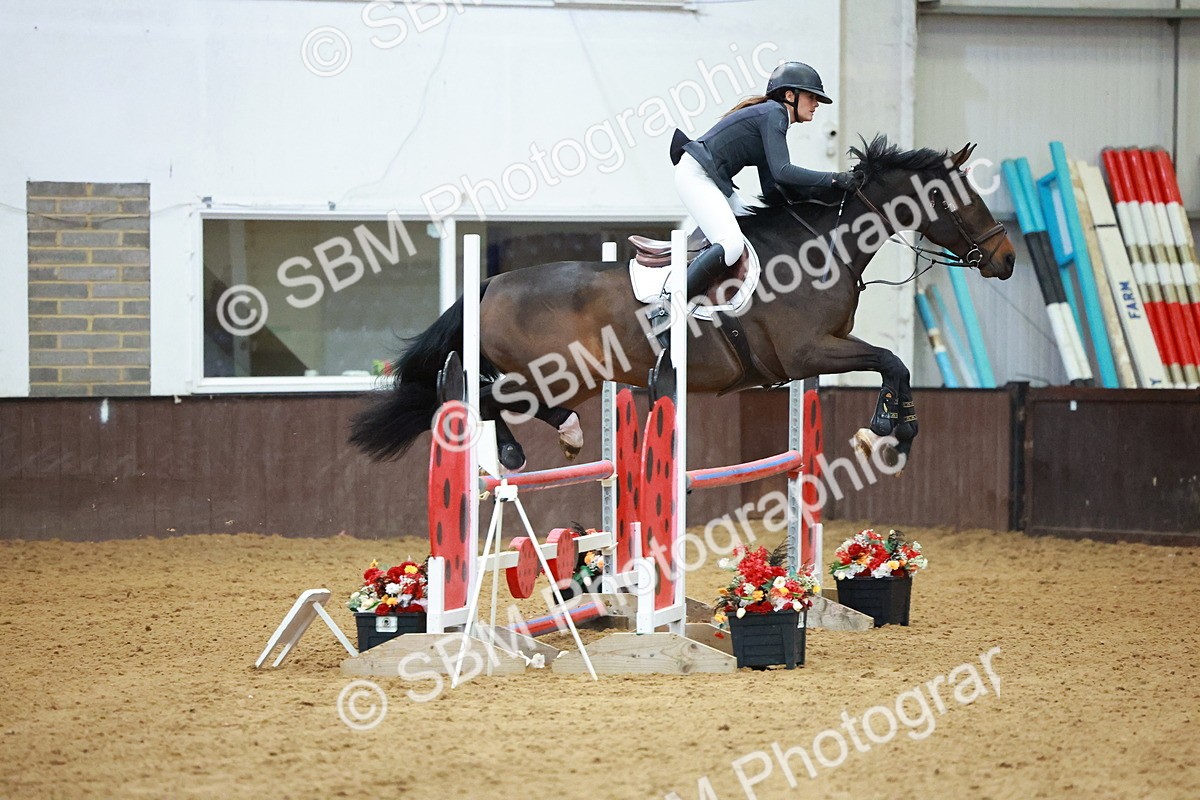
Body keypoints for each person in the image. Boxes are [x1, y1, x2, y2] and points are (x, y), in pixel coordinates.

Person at [670, 61, 864, 299]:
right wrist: (834, 179)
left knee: (755, 232)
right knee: (731, 245)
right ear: (790, 95)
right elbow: (784, 171)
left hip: (714, 182)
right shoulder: (774, 113)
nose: (816, 105)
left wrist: (823, 199)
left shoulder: (771, 119)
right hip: (695, 176)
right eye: (812, 97)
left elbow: (773, 189)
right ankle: (672, 304)